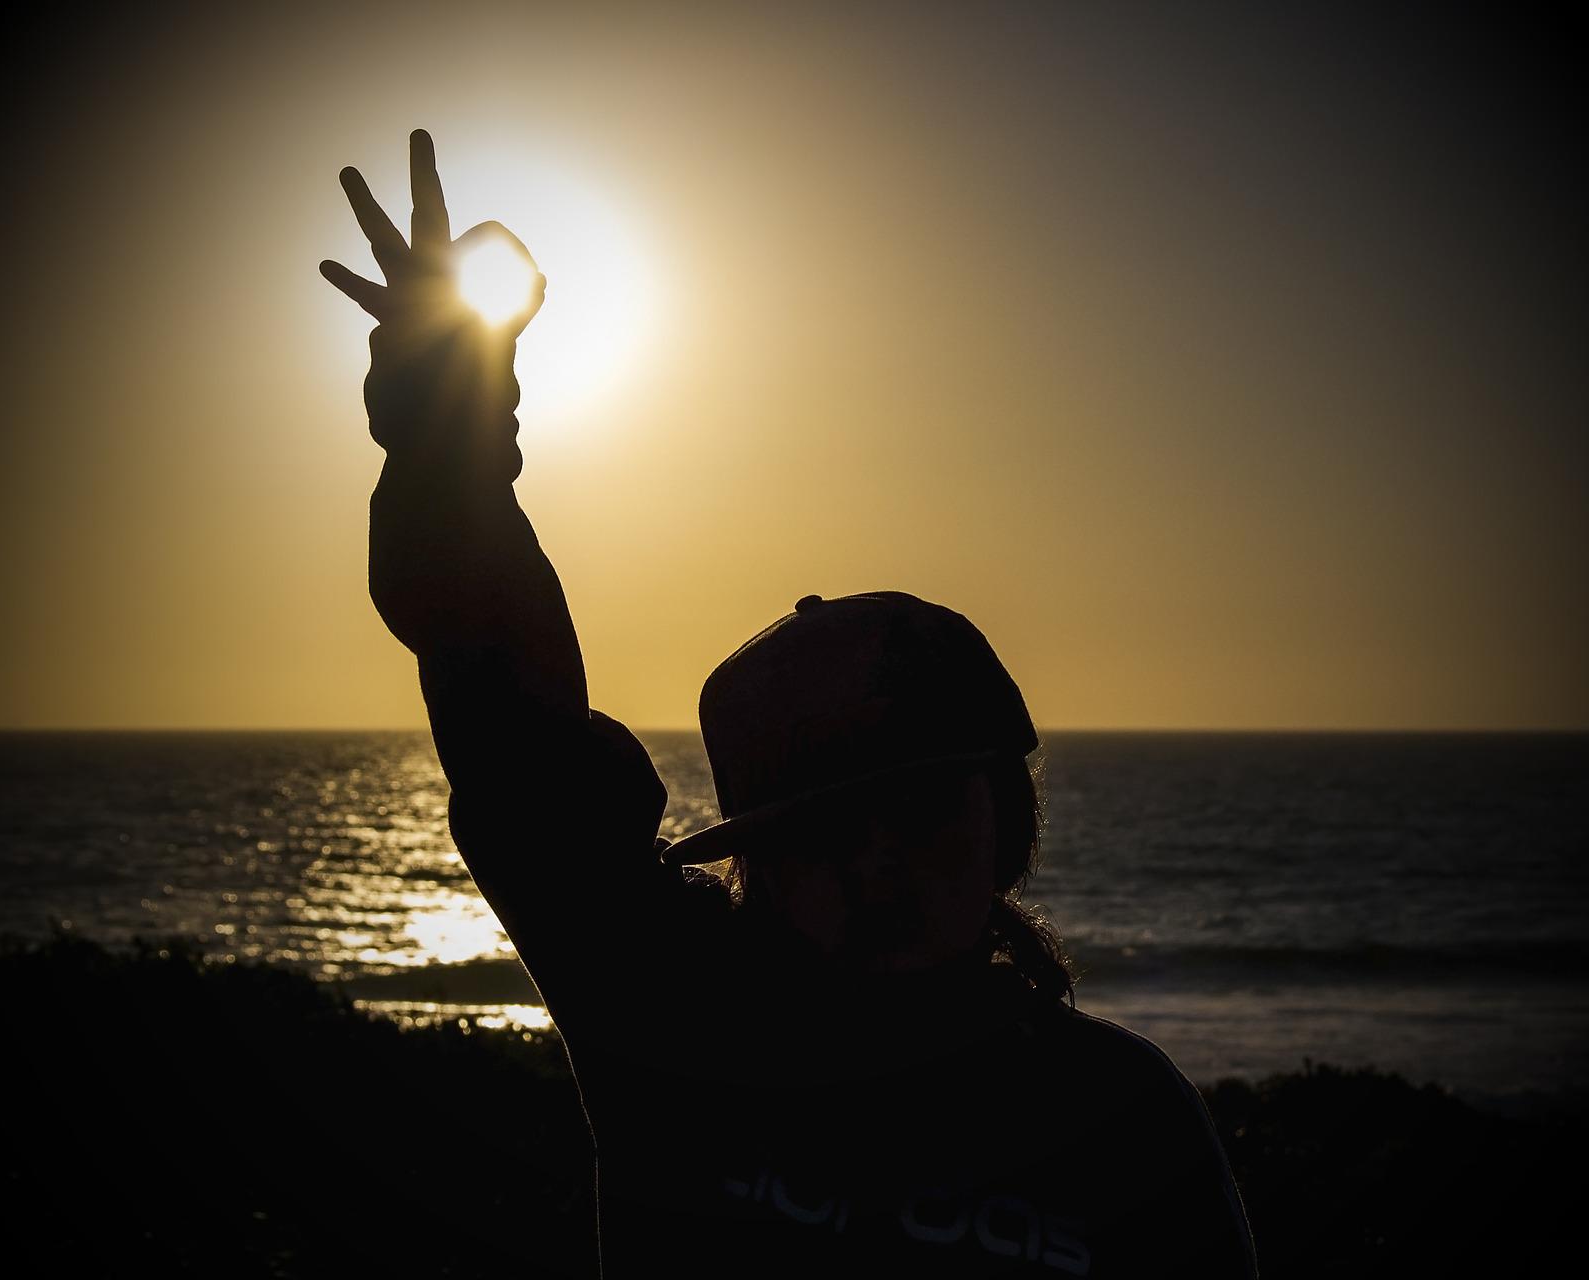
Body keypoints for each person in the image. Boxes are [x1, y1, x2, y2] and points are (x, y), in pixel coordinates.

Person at [321, 129, 1259, 1278]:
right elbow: (505, 710)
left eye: (921, 809)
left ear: (1005, 824)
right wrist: (447, 436)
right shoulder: (669, 1010)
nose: (877, 861)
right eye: (820, 829)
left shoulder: (1120, 1116)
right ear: (755, 863)